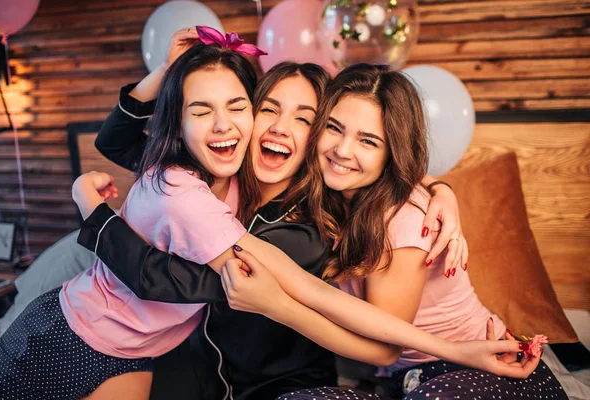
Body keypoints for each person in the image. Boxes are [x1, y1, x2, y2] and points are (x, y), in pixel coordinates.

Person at [74, 40, 538, 400]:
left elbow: (162, 279)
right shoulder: (217, 179)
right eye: (268, 109)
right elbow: (118, 144)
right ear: (246, 116)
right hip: (200, 364)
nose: (279, 127)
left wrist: (95, 217)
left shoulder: (313, 229)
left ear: (311, 135)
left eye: (303, 119)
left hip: (276, 378)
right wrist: (168, 70)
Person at [220, 64, 567, 400]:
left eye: (368, 142)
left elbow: (384, 349)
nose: (342, 150)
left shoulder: (403, 218)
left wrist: (275, 305)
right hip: (402, 383)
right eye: (334, 128)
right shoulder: (326, 191)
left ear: (391, 153)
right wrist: (441, 187)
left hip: (483, 368)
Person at [0, 27, 262, 399]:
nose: (222, 123)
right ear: (179, 126)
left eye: (237, 105)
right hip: (81, 305)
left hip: (137, 341)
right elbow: (112, 141)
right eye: (201, 110)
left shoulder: (245, 181)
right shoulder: (172, 174)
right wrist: (166, 71)